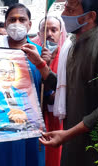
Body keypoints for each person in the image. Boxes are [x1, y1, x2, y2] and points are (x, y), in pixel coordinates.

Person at [21, 0, 98, 166]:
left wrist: (67, 134)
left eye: (70, 10)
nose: (64, 15)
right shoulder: (72, 44)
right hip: (73, 143)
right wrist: (40, 64)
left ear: (90, 16)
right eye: (65, 8)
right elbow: (66, 86)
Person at [0, 3, 45, 166]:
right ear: (5, 24)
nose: (17, 23)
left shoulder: (40, 54)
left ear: (29, 24)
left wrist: (44, 66)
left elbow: (48, 94)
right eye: (12, 20)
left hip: (30, 131)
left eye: (22, 19)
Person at [37, 16, 65, 166]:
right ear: (39, 33)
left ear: (60, 33)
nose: (49, 34)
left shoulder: (68, 55)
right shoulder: (32, 54)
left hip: (59, 121)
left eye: (54, 30)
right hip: (38, 117)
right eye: (45, 30)